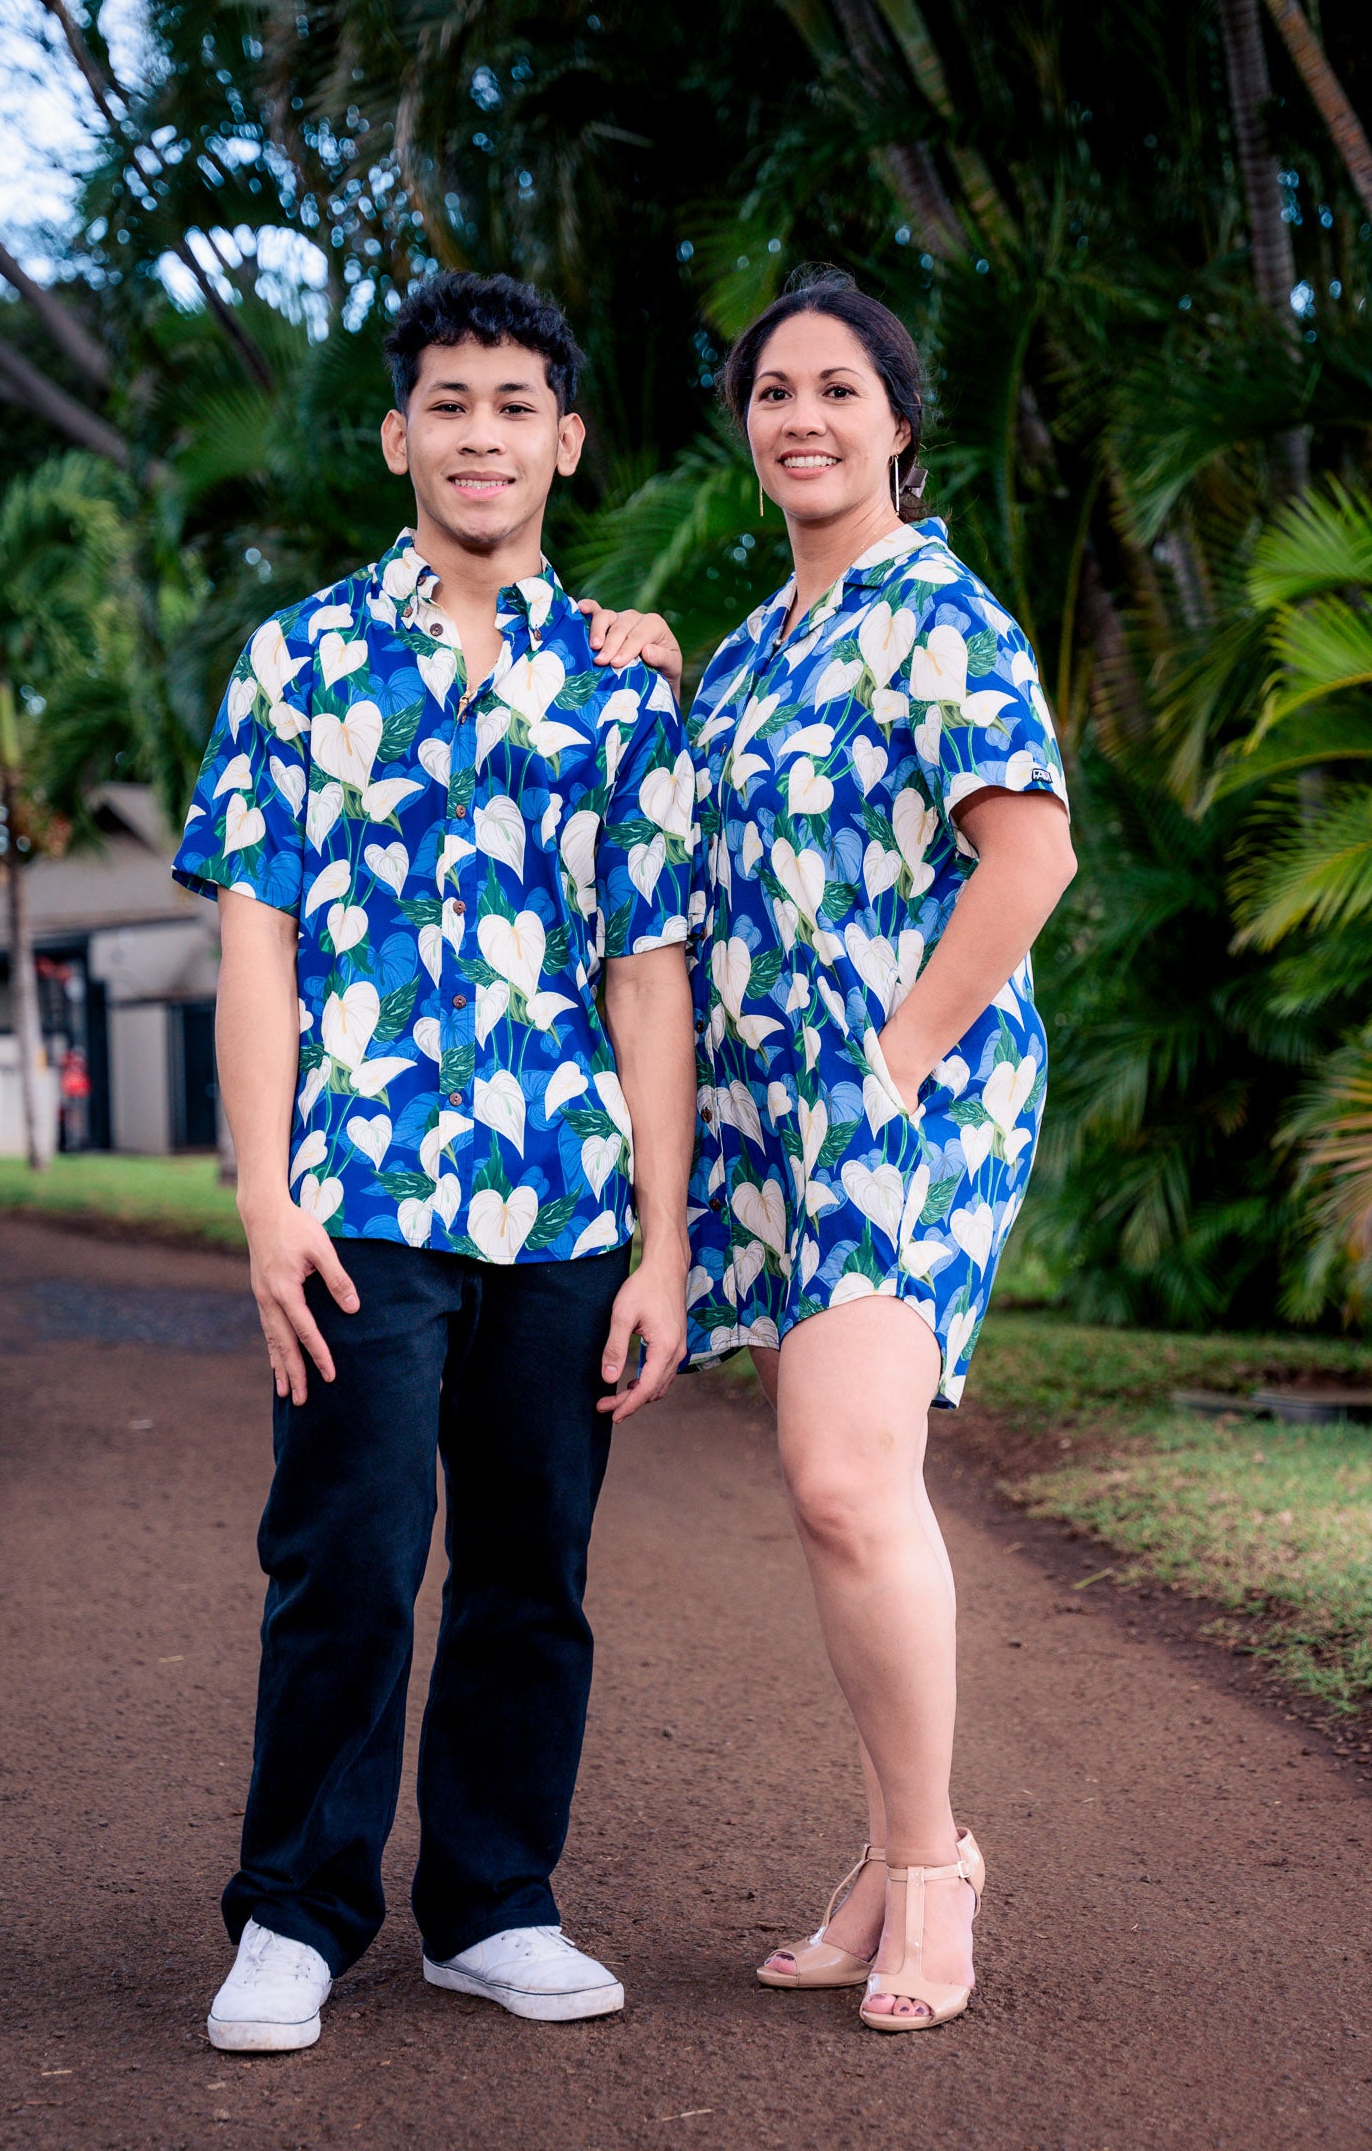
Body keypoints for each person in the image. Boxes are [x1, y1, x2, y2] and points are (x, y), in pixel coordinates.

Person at [172, 271, 697, 2049]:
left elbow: (649, 969)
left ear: (567, 440)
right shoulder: (300, 657)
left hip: (567, 1197)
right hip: (361, 1202)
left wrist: (665, 1246)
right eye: (449, 404)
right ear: (401, 436)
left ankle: (495, 1904)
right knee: (347, 1552)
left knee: (533, 1573)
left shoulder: (628, 685)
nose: (483, 435)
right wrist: (261, 1197)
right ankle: (296, 1918)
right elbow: (255, 939)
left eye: (516, 406)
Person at [585, 267, 1076, 2031]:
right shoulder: (755, 641)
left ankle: (932, 1875)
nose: (802, 417)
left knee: (845, 1475)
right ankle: (894, 1849)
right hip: (774, 1114)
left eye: (838, 390)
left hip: (906, 1097)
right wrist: (651, 663)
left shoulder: (941, 615)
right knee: (840, 1489)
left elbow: (1029, 861)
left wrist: (898, 1052)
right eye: (774, 392)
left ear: (898, 422)